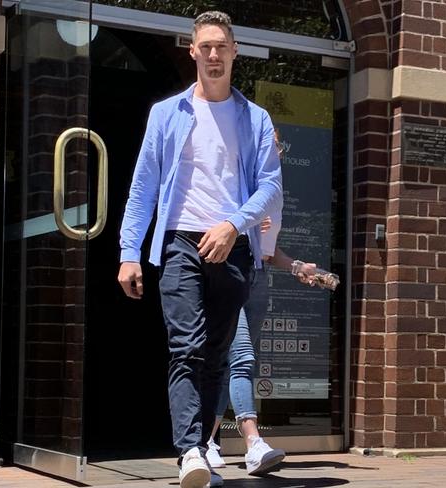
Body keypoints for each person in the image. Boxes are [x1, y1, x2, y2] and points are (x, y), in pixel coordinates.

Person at [117, 10, 283, 488]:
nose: (213, 55)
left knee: (217, 354)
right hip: (179, 242)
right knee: (185, 347)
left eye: (221, 47)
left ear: (234, 53)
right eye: (205, 46)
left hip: (231, 246)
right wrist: (130, 251)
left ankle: (205, 446)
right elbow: (143, 187)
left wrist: (233, 226)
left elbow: (271, 187)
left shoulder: (255, 118)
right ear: (192, 52)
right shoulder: (167, 114)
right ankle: (190, 450)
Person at [204, 141, 317, 477]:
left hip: (258, 277)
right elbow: (212, 225)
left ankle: (205, 441)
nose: (275, 152)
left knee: (228, 364)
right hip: (231, 273)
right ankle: (253, 441)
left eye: (278, 147)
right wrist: (242, 222)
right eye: (269, 146)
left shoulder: (272, 192)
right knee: (242, 358)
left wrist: (297, 266)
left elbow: (268, 251)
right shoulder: (235, 183)